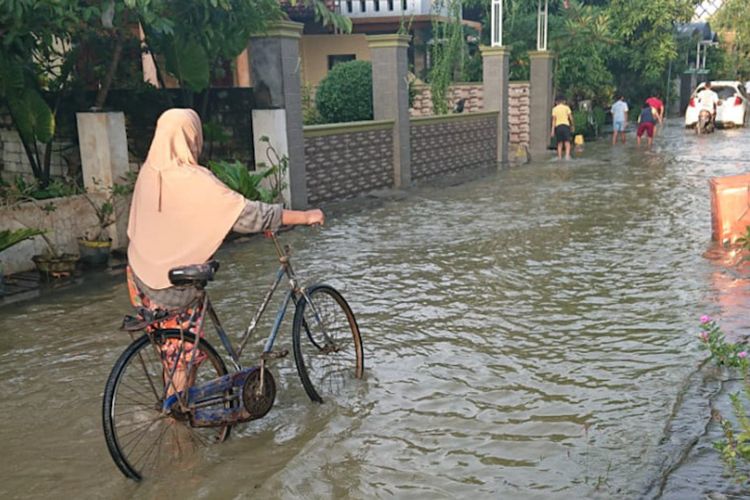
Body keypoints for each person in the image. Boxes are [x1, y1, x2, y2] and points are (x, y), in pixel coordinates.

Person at [126, 108, 324, 392]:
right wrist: (304, 217)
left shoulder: (149, 172)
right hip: (171, 286)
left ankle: (176, 401)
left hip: (140, 276)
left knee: (169, 351)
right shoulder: (191, 178)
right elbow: (248, 215)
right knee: (184, 360)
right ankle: (177, 425)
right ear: (191, 137)